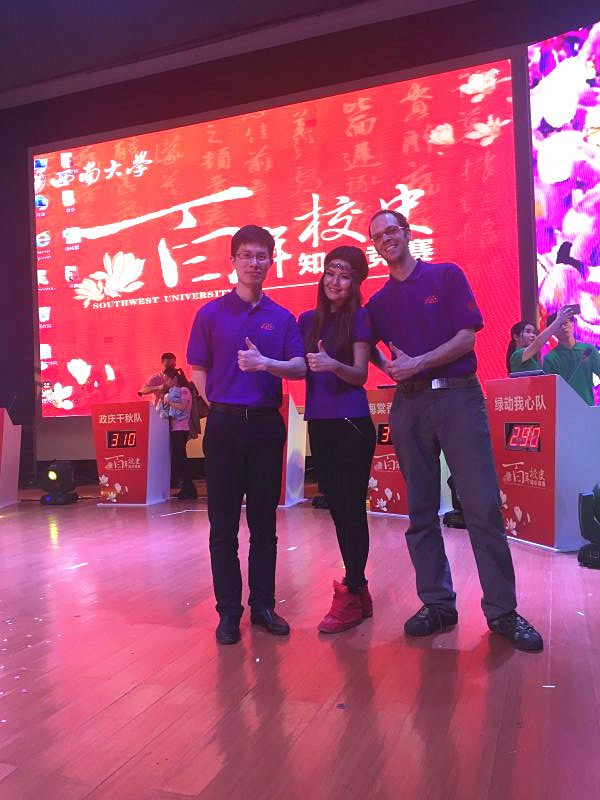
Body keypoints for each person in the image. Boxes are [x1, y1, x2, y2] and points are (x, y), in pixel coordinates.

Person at [365, 209, 543, 652]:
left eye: (392, 231)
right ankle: (438, 603)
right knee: (420, 510)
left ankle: (502, 611)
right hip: (409, 406)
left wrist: (418, 363)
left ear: (407, 233)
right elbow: (362, 346)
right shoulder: (378, 303)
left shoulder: (445, 275)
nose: (386, 240)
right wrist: (392, 368)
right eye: (378, 237)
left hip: (459, 397)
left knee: (482, 506)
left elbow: (467, 338)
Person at [186, 225, 306, 645]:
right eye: (246, 255)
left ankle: (263, 606)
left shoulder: (282, 317)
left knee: (264, 524)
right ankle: (228, 612)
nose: (254, 263)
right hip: (224, 426)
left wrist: (265, 364)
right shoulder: (210, 314)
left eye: (262, 256)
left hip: (266, 426)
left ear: (271, 260)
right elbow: (198, 373)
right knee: (222, 524)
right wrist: (224, 404)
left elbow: (299, 368)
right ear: (233, 260)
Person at [298, 246, 376, 633]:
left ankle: (352, 588)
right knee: (336, 507)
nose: (335, 281)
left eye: (345, 276)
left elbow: (361, 374)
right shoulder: (306, 321)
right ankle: (359, 591)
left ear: (356, 283)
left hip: (351, 423)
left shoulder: (359, 317)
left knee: (351, 509)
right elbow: (297, 367)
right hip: (320, 423)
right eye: (330, 272)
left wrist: (332, 365)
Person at [542, 311, 600, 405]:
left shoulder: (589, 350)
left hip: (588, 406)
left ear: (572, 324)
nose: (563, 327)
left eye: (565, 323)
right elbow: (549, 389)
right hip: (563, 408)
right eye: (558, 325)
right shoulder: (550, 359)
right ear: (552, 331)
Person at [507, 305, 579, 374]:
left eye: (534, 333)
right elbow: (539, 342)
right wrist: (558, 320)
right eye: (528, 332)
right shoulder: (517, 355)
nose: (533, 335)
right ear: (516, 337)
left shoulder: (531, 359)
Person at [161, 366, 197, 500]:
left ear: (175, 379)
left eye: (167, 380)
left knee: (182, 458)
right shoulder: (172, 392)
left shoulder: (184, 390)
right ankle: (186, 487)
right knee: (178, 458)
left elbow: (182, 407)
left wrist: (169, 401)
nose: (166, 383)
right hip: (175, 429)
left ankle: (189, 488)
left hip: (182, 429)